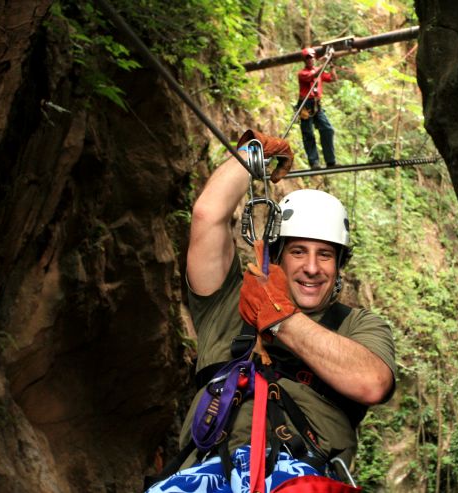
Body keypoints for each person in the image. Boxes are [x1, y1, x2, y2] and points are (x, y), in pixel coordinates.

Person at [146, 130, 396, 493]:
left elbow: (371, 382)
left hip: (305, 476)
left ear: (339, 265)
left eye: (325, 255)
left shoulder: (358, 325)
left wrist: (281, 319)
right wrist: (252, 155)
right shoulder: (228, 305)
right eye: (298, 252)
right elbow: (208, 215)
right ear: (276, 257)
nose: (312, 267)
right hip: (204, 474)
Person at [297, 47, 338, 169]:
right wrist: (324, 62)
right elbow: (313, 75)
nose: (310, 60)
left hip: (316, 104)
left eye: (312, 57)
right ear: (305, 60)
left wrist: (331, 65)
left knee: (327, 129)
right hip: (305, 105)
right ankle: (314, 162)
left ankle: (330, 161)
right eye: (308, 58)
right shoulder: (302, 73)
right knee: (308, 133)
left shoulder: (318, 71)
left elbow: (333, 78)